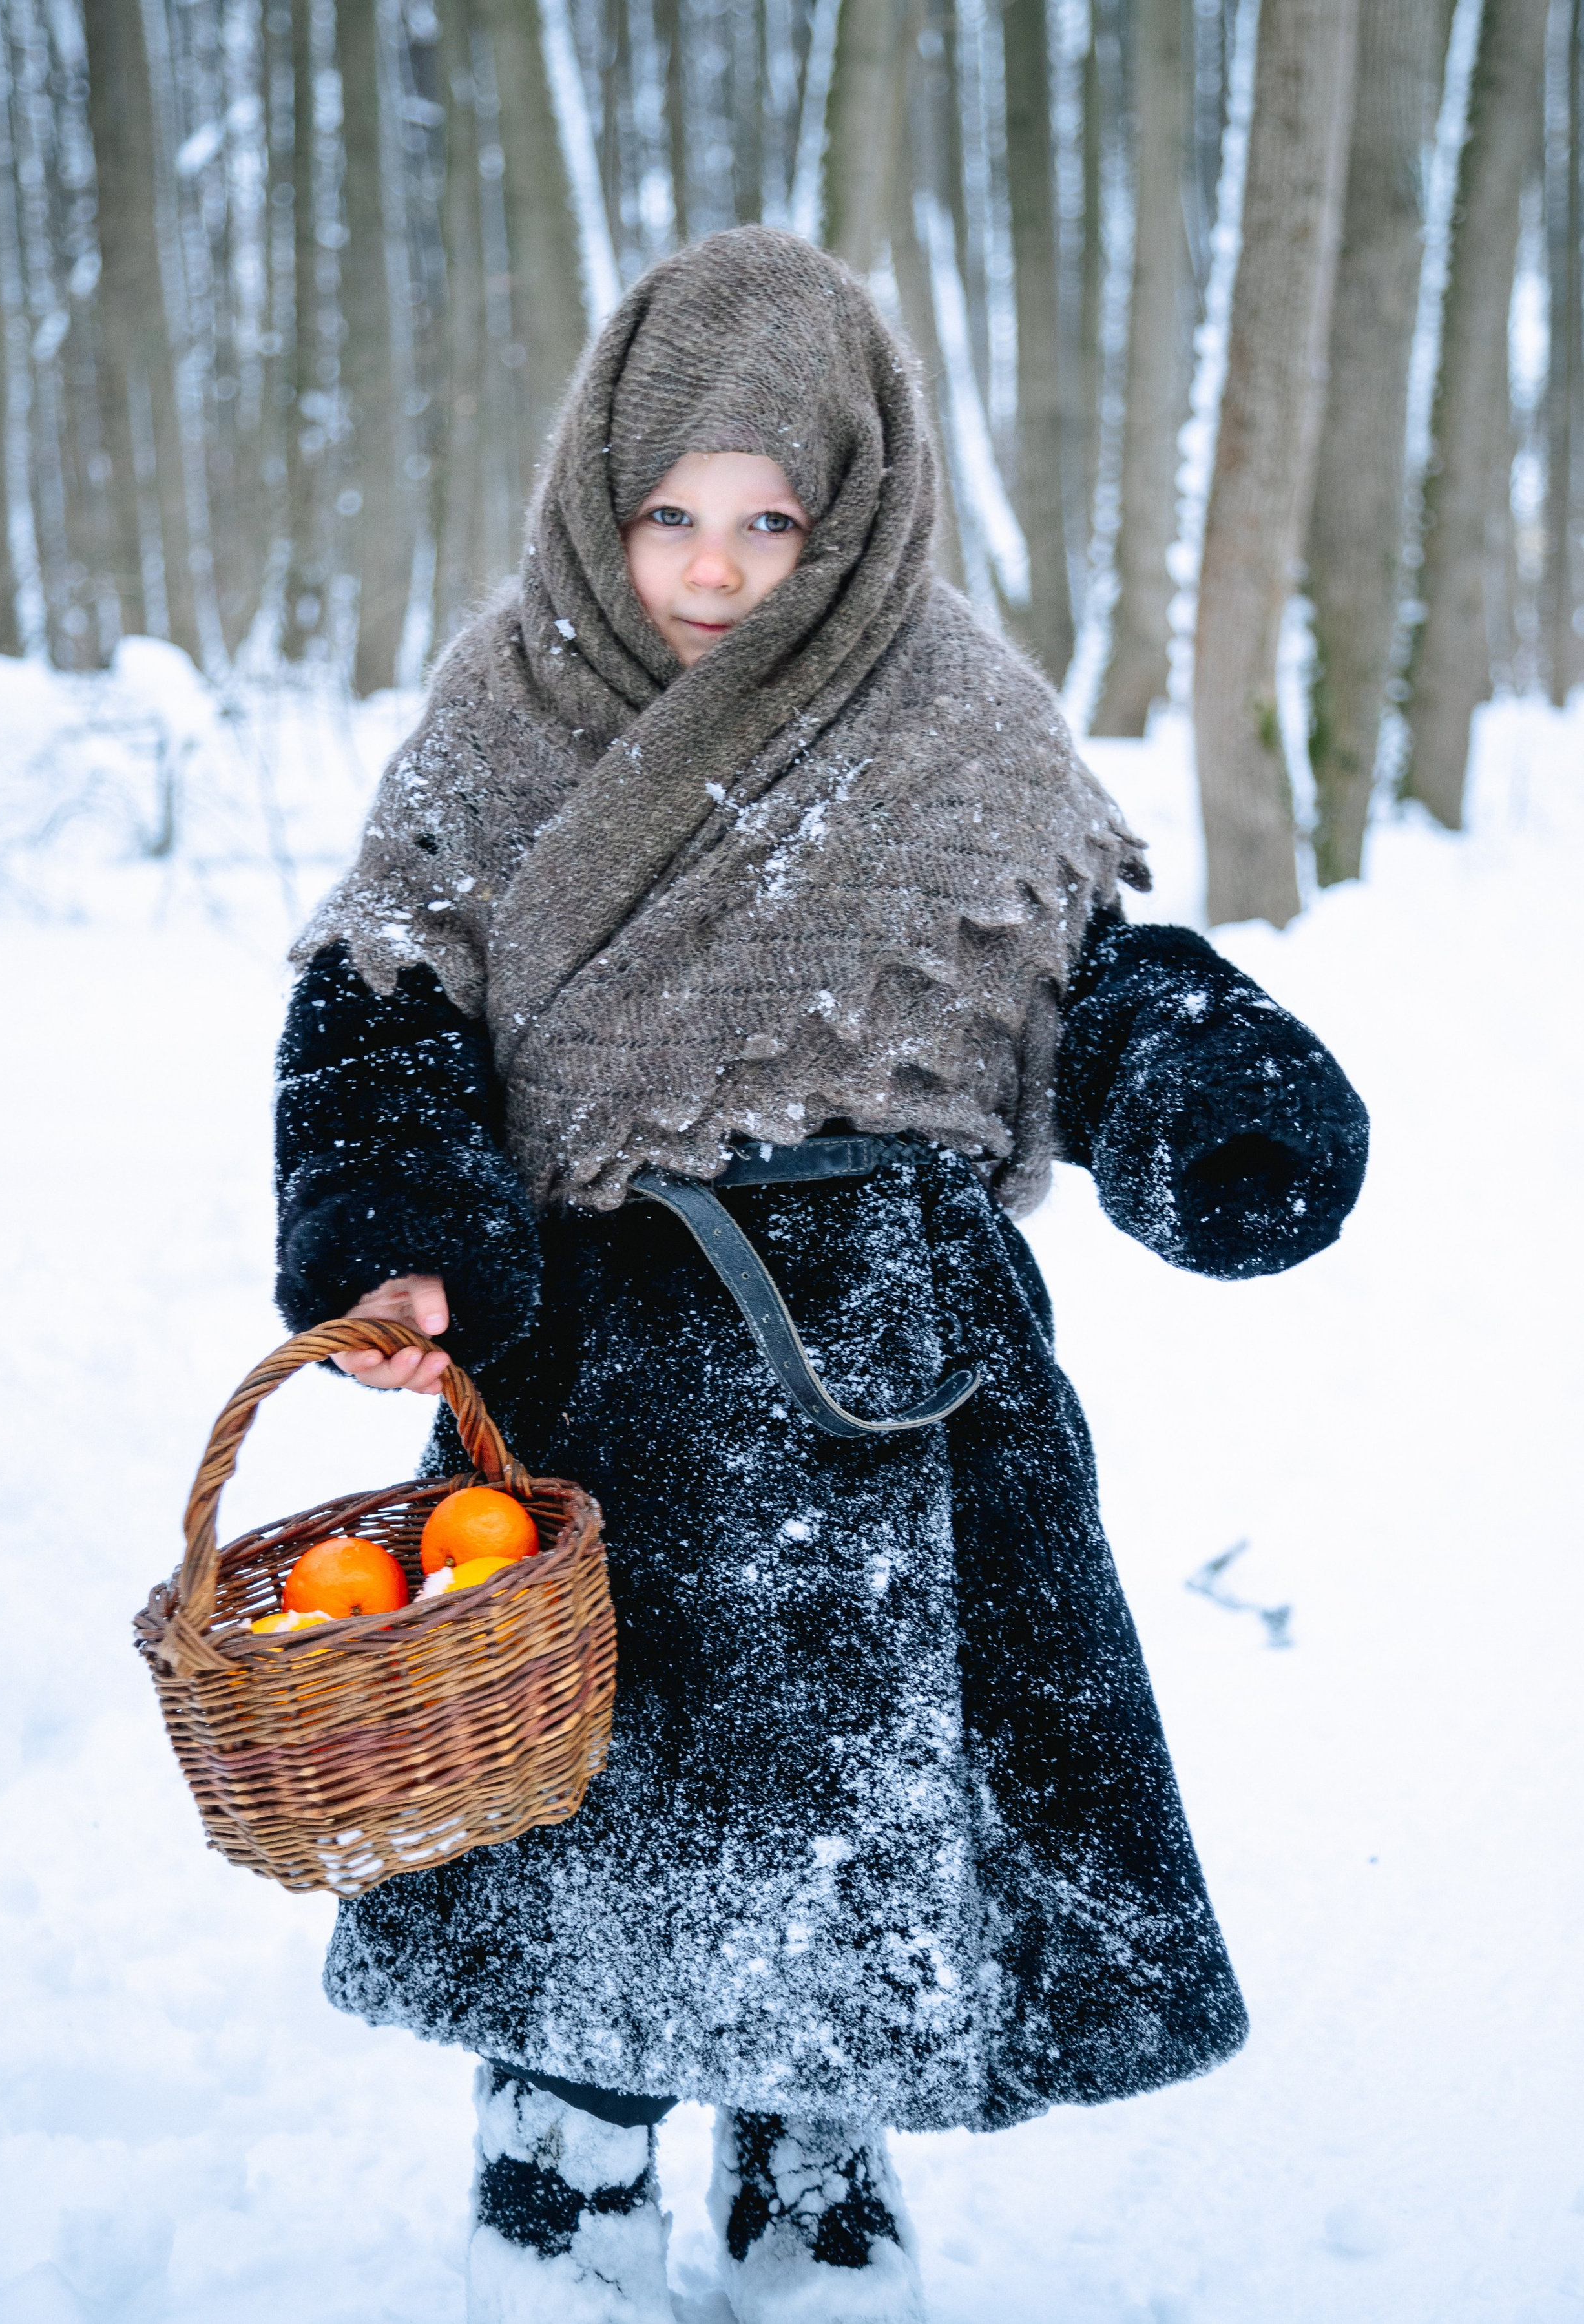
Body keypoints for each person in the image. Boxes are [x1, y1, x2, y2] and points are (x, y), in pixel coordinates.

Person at [273, 226, 1368, 2324]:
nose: (711, 568)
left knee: (859, 1803)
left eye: (770, 519)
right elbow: (382, 1003)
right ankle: (564, 2157)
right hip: (581, 1373)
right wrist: (398, 1231)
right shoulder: (506, 711)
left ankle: (815, 2178)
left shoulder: (950, 712)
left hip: (884, 1374)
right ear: (598, 503)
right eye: (668, 514)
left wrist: (1202, 1087)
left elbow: (1082, 973)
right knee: (570, 1783)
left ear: (855, 512)